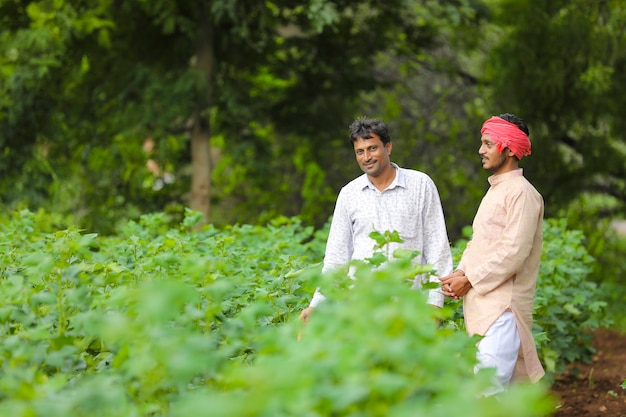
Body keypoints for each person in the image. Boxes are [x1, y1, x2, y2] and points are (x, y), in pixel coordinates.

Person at [299, 117, 453, 322]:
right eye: (360, 152)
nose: (366, 157)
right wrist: (316, 305)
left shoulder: (420, 185)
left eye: (372, 148)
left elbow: (437, 248)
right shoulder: (349, 194)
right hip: (360, 310)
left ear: (388, 147)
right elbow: (336, 258)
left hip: (411, 309)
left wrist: (434, 305)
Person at [439, 113, 545, 396]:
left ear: (509, 149)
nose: (480, 150)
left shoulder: (522, 193)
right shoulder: (497, 190)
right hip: (485, 305)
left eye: (487, 143)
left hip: (503, 309)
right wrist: (461, 272)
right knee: (497, 396)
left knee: (487, 393)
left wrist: (470, 279)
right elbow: (480, 242)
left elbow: (514, 251)